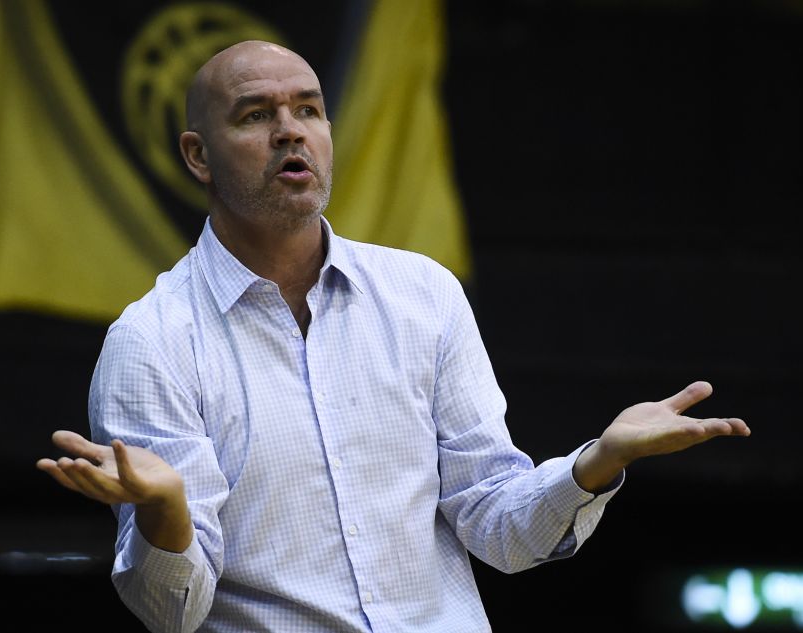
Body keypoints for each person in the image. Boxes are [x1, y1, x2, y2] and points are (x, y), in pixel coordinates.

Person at [36, 40, 750, 633]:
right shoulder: (153, 340)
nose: (291, 131)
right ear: (198, 156)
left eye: (308, 109)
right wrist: (166, 511)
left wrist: (597, 461)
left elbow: (496, 525)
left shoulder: (423, 294)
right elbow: (171, 611)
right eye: (256, 115)